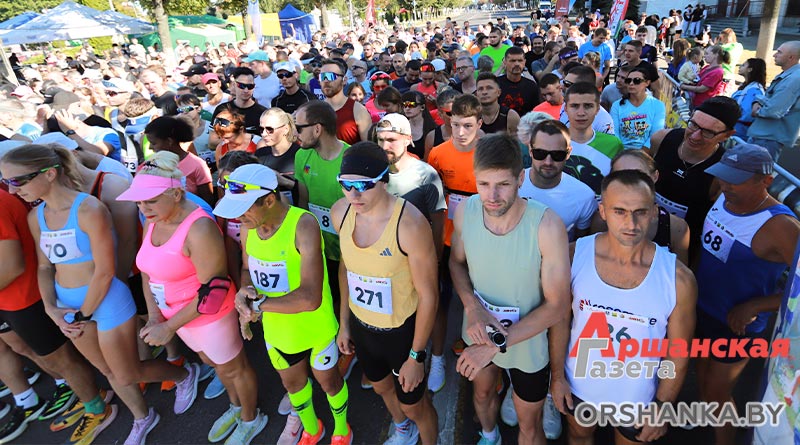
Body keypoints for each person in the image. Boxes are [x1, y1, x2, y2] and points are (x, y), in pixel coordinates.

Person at [1, 144, 196, 445]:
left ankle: (183, 375)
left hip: (104, 302)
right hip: (69, 306)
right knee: (106, 370)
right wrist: (52, 309)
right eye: (6, 182)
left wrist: (82, 314)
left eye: (18, 181)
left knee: (128, 372)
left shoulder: (89, 209)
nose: (12, 190)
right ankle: (142, 417)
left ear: (49, 174)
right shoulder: (35, 216)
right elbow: (44, 267)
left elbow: (106, 271)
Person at [118, 151, 265, 445]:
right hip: (177, 318)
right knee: (213, 362)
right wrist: (156, 316)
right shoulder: (154, 219)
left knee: (233, 368)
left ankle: (251, 418)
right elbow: (147, 272)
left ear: (175, 193)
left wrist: (167, 327)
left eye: (149, 200)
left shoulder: (199, 228)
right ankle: (236, 406)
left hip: (208, 318)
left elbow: (215, 290)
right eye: (139, 201)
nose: (143, 207)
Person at [549, 169, 697, 445]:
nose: (631, 223)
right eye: (620, 211)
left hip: (638, 397)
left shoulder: (678, 279)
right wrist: (557, 378)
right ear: (603, 211)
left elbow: (678, 352)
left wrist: (662, 406)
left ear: (654, 212)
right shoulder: (573, 255)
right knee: (579, 436)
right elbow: (559, 321)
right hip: (579, 384)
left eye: (640, 212)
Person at [214, 163, 352, 445]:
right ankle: (312, 429)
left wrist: (257, 306)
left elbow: (310, 297)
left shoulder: (303, 224)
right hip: (277, 330)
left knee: (329, 382)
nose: (238, 217)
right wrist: (245, 290)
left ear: (269, 200)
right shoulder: (250, 227)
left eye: (244, 208)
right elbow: (246, 268)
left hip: (315, 327)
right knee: (292, 384)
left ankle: (342, 429)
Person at [450, 132, 571, 445]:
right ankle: (489, 436)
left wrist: (496, 344)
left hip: (527, 342)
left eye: (502, 184)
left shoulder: (546, 226)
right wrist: (472, 307)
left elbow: (558, 305)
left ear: (520, 178)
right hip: (479, 328)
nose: (492, 196)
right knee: (482, 394)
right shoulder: (466, 211)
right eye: (483, 184)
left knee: (529, 424)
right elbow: (456, 263)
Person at [331, 141, 440, 445]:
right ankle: (402, 429)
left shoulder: (410, 224)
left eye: (363, 185)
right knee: (381, 388)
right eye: (346, 185)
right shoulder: (341, 213)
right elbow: (346, 269)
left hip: (401, 334)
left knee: (415, 405)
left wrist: (416, 356)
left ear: (383, 180)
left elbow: (429, 295)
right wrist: (344, 323)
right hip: (363, 328)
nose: (354, 195)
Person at [696, 143, 800, 445]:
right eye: (723, 175)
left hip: (736, 325)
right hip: (702, 308)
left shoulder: (782, 226)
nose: (725, 184)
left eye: (735, 180)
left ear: (766, 181)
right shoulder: (723, 194)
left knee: (717, 392)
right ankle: (709, 425)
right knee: (702, 379)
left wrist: (757, 305)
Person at [375, 114, 447, 392]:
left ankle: (437, 357)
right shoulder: (375, 173)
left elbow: (438, 221)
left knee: (434, 306)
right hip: (388, 261)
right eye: (380, 140)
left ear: (407, 139)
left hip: (421, 260)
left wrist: (436, 260)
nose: (385, 146)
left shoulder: (425, 175)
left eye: (391, 139)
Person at [648, 96, 740, 262]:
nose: (695, 136)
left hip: (681, 249)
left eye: (708, 132)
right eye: (693, 125)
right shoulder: (661, 139)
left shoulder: (724, 172)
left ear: (727, 136)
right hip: (644, 231)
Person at [608, 150, 691, 265]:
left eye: (639, 176)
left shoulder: (677, 228)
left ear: (655, 176)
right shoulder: (602, 221)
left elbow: (679, 272)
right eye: (620, 176)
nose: (630, 184)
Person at [519, 120, 596, 241]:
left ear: (568, 153)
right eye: (540, 153)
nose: (548, 162)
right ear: (530, 151)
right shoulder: (508, 186)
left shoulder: (584, 196)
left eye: (557, 155)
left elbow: (580, 243)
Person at [562, 82, 624, 196]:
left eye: (588, 106)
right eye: (574, 106)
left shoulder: (613, 144)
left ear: (597, 109)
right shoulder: (553, 143)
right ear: (565, 109)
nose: (581, 113)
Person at [748, 41, 800, 161]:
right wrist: (758, 101)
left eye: (779, 52)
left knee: (755, 171)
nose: (774, 55)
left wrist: (757, 110)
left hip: (768, 137)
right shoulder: (788, 75)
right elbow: (769, 98)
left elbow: (774, 110)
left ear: (791, 57)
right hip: (764, 135)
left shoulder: (793, 79)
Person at [144, 117, 214, 205]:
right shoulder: (152, 164)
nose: (150, 147)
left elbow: (207, 200)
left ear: (169, 141)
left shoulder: (197, 165)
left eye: (153, 143)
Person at [254, 108, 305, 207]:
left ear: (286, 129)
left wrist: (283, 181)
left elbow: (310, 191)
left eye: (270, 129)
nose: (264, 134)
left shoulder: (300, 154)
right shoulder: (260, 154)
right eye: (261, 129)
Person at [209, 67, 267, 149]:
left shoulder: (262, 113)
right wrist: (243, 139)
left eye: (250, 86)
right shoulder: (222, 109)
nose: (246, 90)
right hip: (227, 155)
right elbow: (212, 142)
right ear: (234, 85)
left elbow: (268, 142)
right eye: (241, 86)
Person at [610, 67, 666, 150]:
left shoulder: (658, 105)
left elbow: (655, 134)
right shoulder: (616, 105)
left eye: (637, 80)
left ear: (647, 83)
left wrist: (642, 153)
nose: (631, 83)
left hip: (647, 152)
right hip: (621, 151)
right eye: (628, 80)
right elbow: (614, 134)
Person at [320, 59, 372, 145]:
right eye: (322, 76)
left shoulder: (358, 110)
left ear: (344, 80)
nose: (326, 80)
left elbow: (368, 148)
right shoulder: (315, 110)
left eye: (331, 76)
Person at [496, 46, 542, 115]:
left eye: (520, 61)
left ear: (524, 62)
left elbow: (536, 113)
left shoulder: (531, 86)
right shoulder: (496, 84)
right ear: (504, 62)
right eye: (512, 61)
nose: (517, 64)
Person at [731, 58, 767, 139]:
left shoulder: (754, 89)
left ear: (750, 69)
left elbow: (747, 113)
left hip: (741, 129)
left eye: (743, 65)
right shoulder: (746, 86)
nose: (740, 67)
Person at [476, 73, 520, 138]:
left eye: (489, 88)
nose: (484, 92)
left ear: (499, 92)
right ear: (476, 94)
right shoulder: (472, 116)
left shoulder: (510, 116)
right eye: (480, 89)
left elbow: (518, 143)